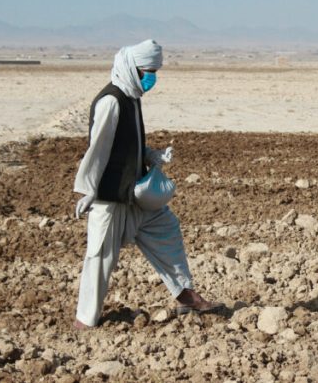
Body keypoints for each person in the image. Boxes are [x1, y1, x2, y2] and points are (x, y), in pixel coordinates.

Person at [72, 39, 222, 329]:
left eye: (155, 72)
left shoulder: (132, 97)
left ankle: (187, 296)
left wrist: (152, 155)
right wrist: (88, 190)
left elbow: (128, 144)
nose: (152, 78)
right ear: (133, 68)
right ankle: (85, 321)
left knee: (166, 229)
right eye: (149, 72)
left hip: (135, 192)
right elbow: (98, 150)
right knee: (101, 257)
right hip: (111, 196)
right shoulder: (111, 101)